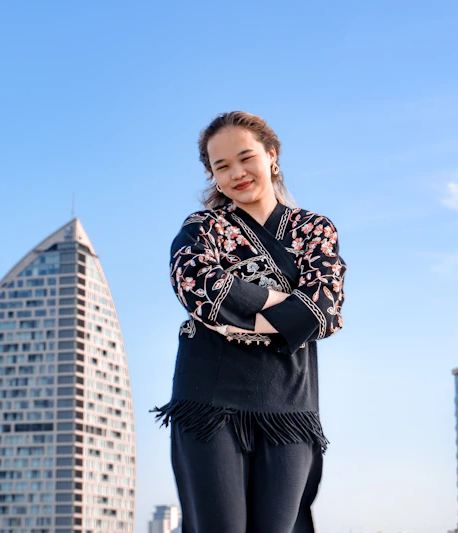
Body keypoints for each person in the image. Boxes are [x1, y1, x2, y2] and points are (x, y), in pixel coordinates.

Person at [152, 111, 347, 533]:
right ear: (213, 177)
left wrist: (235, 316)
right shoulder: (202, 228)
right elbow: (197, 287)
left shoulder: (314, 230)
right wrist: (288, 311)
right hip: (209, 399)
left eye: (245, 158)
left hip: (288, 404)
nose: (236, 173)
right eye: (221, 166)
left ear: (271, 156)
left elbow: (326, 311)